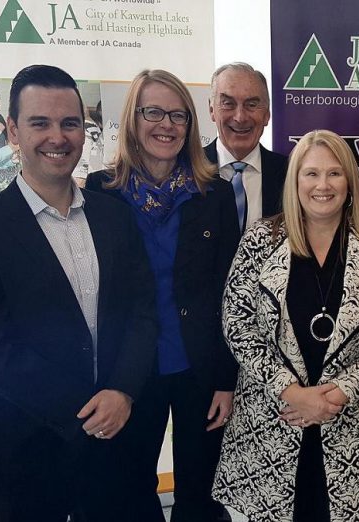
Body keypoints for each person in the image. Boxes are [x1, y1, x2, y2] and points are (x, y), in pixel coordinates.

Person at [0, 65, 158, 521]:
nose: (57, 137)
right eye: (40, 123)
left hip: (117, 440)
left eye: (69, 123)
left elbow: (141, 312)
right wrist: (86, 412)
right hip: (29, 452)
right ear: (13, 131)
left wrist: (122, 391)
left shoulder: (114, 217)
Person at [214, 130, 359, 522]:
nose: (322, 185)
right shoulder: (260, 241)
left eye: (334, 174)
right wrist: (292, 392)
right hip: (274, 419)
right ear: (294, 181)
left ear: (350, 182)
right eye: (311, 173)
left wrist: (340, 392)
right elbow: (237, 322)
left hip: (351, 423)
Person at [86, 69, 240, 521]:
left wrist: (227, 379)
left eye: (179, 115)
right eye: (153, 111)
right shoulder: (101, 193)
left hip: (198, 366)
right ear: (132, 118)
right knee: (131, 486)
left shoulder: (212, 192)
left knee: (201, 488)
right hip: (130, 370)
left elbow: (230, 292)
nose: (167, 125)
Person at [205, 62, 288, 232]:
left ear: (267, 114)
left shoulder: (290, 174)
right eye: (228, 103)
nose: (240, 117)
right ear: (212, 110)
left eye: (251, 105)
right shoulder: (186, 171)